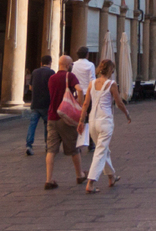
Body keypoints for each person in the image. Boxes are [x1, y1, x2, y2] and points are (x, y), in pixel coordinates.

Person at [80, 58, 131, 192]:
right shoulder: (111, 84)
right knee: (100, 151)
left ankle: (111, 176)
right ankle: (90, 182)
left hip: (92, 121)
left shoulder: (92, 83)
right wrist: (127, 113)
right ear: (110, 70)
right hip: (105, 121)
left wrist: (81, 121)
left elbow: (85, 104)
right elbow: (119, 103)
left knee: (103, 150)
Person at [44, 56, 83, 190]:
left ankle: (49, 179)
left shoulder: (52, 78)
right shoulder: (70, 76)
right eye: (71, 63)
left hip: (52, 116)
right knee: (74, 148)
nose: (72, 65)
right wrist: (80, 103)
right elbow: (80, 89)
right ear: (67, 65)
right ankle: (79, 175)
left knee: (51, 150)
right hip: (65, 117)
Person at [24, 54, 55, 156]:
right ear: (50, 63)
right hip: (46, 103)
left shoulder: (35, 72)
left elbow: (31, 87)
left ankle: (29, 145)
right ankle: (47, 145)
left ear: (41, 63)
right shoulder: (51, 73)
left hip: (35, 103)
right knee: (47, 126)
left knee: (32, 125)